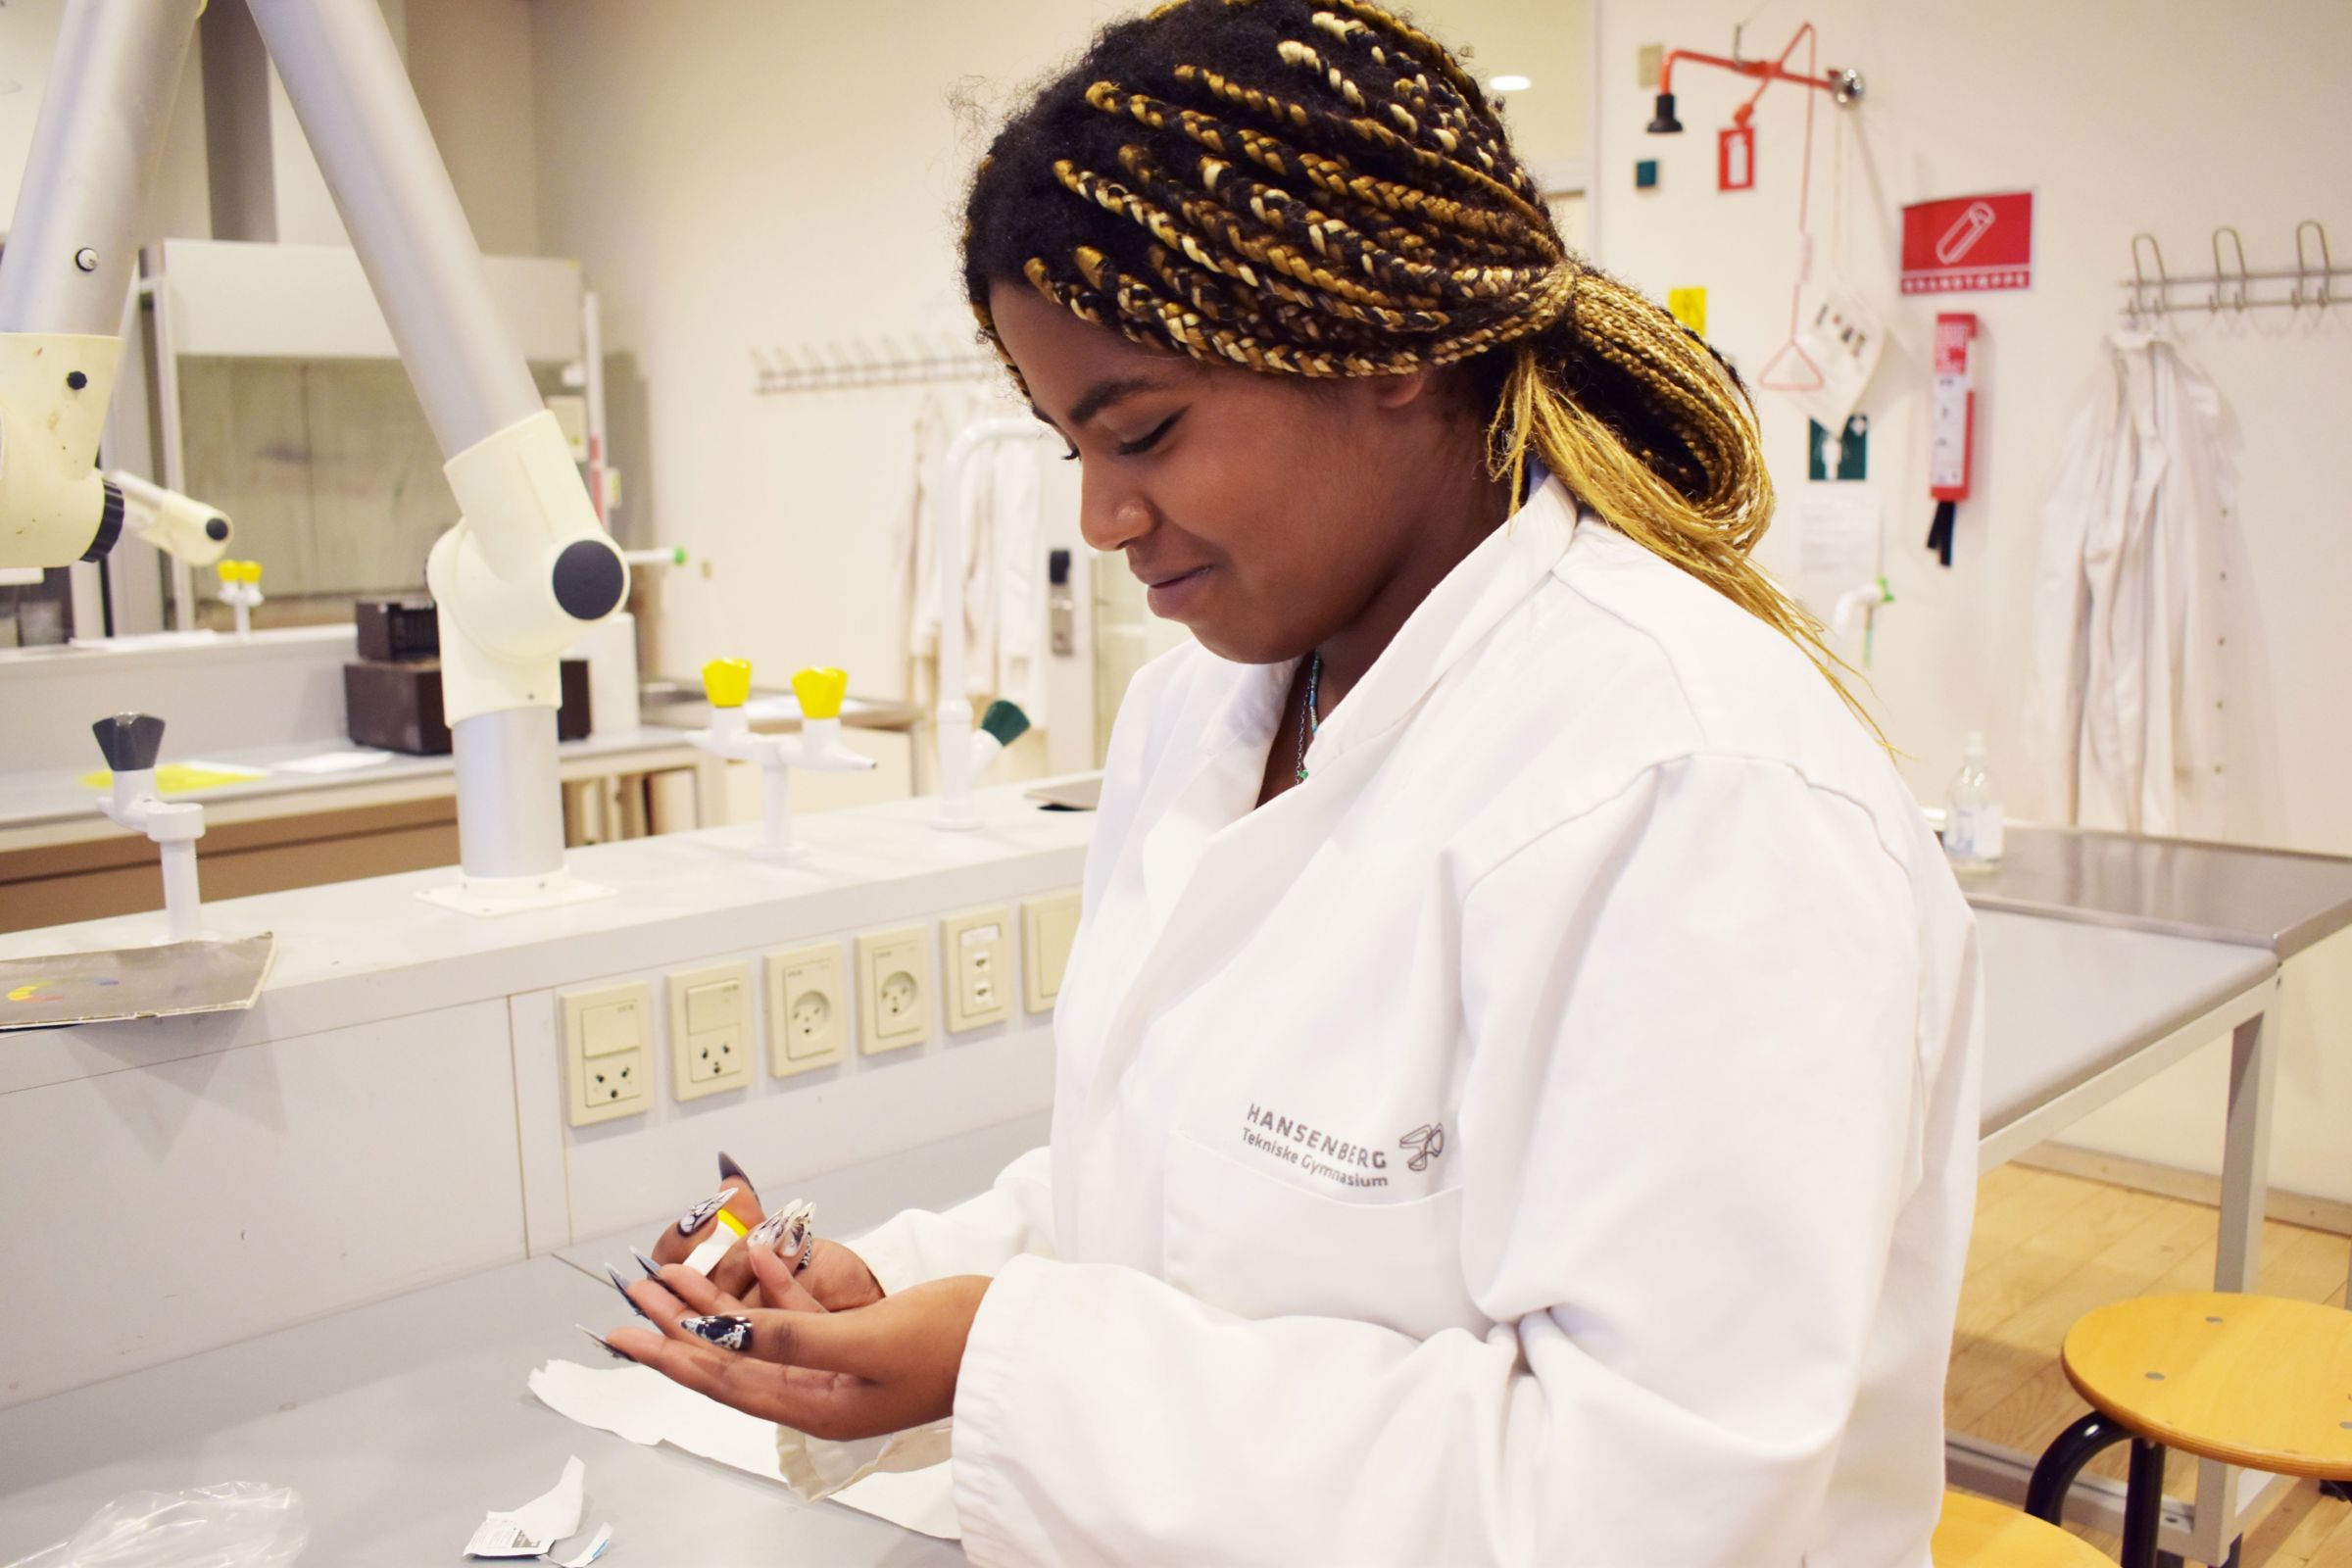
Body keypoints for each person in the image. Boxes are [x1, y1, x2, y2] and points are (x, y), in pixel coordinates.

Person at [601, 2, 1981, 1562]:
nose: (1106, 517)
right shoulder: (1202, 715)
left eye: (1146, 431)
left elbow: (1641, 1499)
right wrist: (904, 1294)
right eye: (1071, 446)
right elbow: (1183, 1193)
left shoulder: (1690, 784)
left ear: (1383, 348)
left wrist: (1006, 1363)